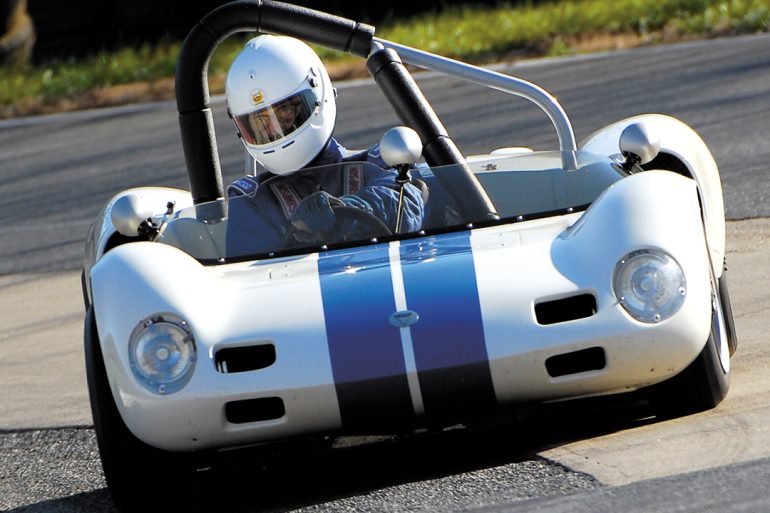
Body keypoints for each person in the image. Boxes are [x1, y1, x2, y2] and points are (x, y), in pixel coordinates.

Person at [224, 35, 425, 256]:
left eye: (284, 111)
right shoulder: (252, 201)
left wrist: (350, 207)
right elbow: (254, 275)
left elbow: (407, 204)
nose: (273, 129)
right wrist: (300, 238)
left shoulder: (380, 163)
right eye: (260, 121)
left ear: (317, 95)